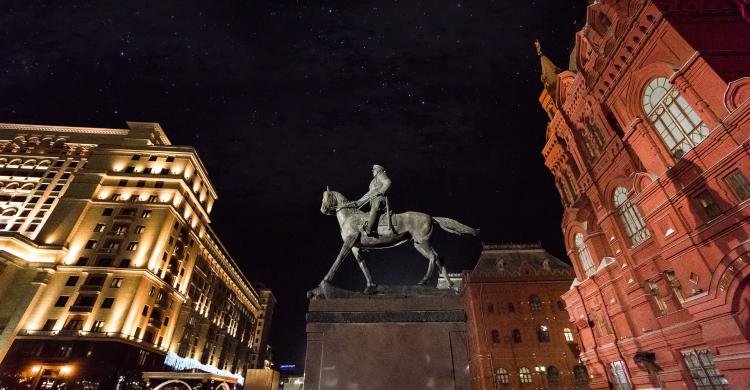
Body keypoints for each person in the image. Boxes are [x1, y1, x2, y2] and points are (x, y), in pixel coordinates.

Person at [354, 164, 392, 236]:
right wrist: (358, 203)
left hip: (381, 198)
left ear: (378, 170)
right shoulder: (372, 182)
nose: (372, 171)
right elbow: (369, 194)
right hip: (374, 199)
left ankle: (369, 228)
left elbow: (388, 182)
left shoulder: (381, 174)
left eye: (374, 169)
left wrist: (381, 191)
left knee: (375, 206)